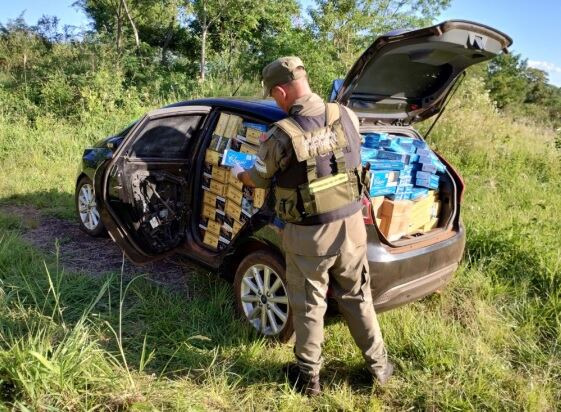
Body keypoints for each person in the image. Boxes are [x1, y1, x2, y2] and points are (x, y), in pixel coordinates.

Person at [231, 56, 393, 395]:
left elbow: (258, 179)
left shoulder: (281, 136)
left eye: (273, 96)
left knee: (308, 305)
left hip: (310, 236)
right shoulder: (346, 114)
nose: (275, 101)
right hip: (352, 226)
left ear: (280, 90)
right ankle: (380, 368)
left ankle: (308, 379)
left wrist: (238, 173)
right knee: (358, 296)